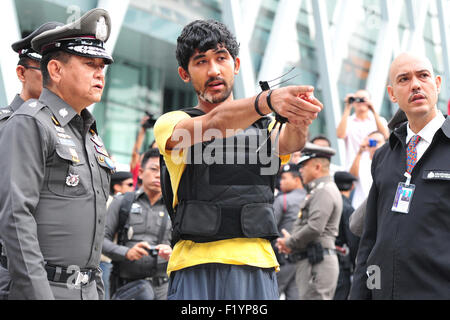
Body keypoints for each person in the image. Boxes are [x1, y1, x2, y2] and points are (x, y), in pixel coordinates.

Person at [154, 19, 323, 300]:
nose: (214, 70)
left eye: (221, 58)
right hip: (194, 266)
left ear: (237, 65)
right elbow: (214, 124)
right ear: (184, 73)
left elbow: (291, 142)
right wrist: (267, 101)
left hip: (257, 266)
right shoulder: (173, 123)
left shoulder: (264, 128)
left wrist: (299, 115)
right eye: (201, 61)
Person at [0, 8, 115, 300]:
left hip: (86, 289)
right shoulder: (31, 122)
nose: (99, 73)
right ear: (56, 70)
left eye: (102, 65)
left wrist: (96, 290)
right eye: (90, 63)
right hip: (44, 289)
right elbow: (16, 217)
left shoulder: (88, 132)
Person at [350, 52, 450, 299]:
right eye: (403, 79)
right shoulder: (385, 155)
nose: (415, 84)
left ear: (437, 84)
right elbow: (370, 239)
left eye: (423, 76)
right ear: (392, 94)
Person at [0, 21, 63, 301]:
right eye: (45, 69)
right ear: (21, 73)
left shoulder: (67, 131)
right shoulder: (5, 124)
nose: (54, 77)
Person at [103, 149, 172, 300]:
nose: (159, 175)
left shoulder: (174, 208)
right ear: (140, 172)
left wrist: (172, 253)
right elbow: (100, 241)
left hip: (163, 289)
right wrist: (126, 252)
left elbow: (186, 247)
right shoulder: (122, 202)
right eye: (153, 169)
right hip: (127, 288)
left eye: (163, 170)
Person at [276, 143, 343, 300]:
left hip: (317, 263)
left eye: (303, 166)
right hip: (312, 261)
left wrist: (289, 242)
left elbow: (314, 227)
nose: (300, 171)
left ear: (317, 167)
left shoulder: (324, 190)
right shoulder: (318, 190)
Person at [273, 163, 306, 300]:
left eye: (285, 178)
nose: (281, 181)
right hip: (302, 259)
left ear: (297, 180)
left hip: (283, 258)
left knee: (270, 294)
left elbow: (270, 227)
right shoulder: (312, 197)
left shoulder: (283, 200)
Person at [336, 90, 389, 170]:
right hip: (352, 167)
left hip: (375, 166)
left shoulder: (379, 120)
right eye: (357, 99)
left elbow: (385, 136)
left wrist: (373, 110)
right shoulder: (348, 121)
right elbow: (340, 135)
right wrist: (347, 107)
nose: (360, 102)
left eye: (363, 99)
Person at [333, 171, 360, 300]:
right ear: (352, 187)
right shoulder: (348, 208)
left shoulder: (330, 202)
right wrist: (357, 266)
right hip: (341, 262)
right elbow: (353, 240)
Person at [348, 131, 386, 209]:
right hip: (360, 208)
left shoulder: (390, 161)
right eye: (372, 143)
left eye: (377, 142)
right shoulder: (361, 161)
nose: (375, 146)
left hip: (381, 208)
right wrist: (360, 152)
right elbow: (351, 177)